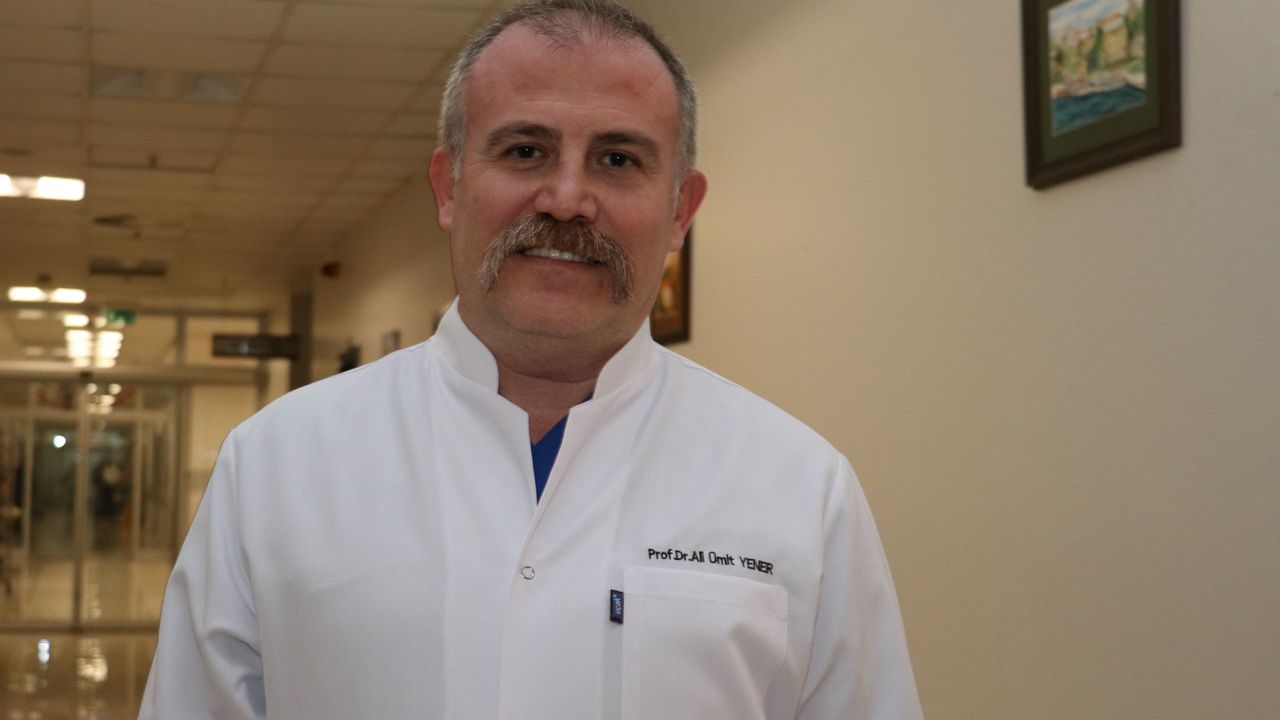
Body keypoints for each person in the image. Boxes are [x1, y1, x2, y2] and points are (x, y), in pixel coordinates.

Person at [140, 1, 923, 718]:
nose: (567, 198)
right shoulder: (276, 463)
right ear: (449, 187)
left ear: (680, 210)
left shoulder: (801, 487)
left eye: (618, 160)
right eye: (525, 150)